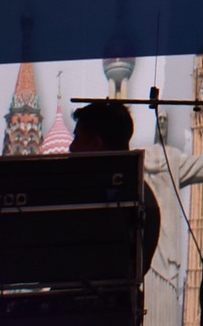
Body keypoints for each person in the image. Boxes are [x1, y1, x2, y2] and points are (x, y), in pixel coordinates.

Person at [70, 100, 163, 282]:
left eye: (77, 138)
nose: (71, 147)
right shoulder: (145, 197)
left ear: (96, 144)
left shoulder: (84, 196)